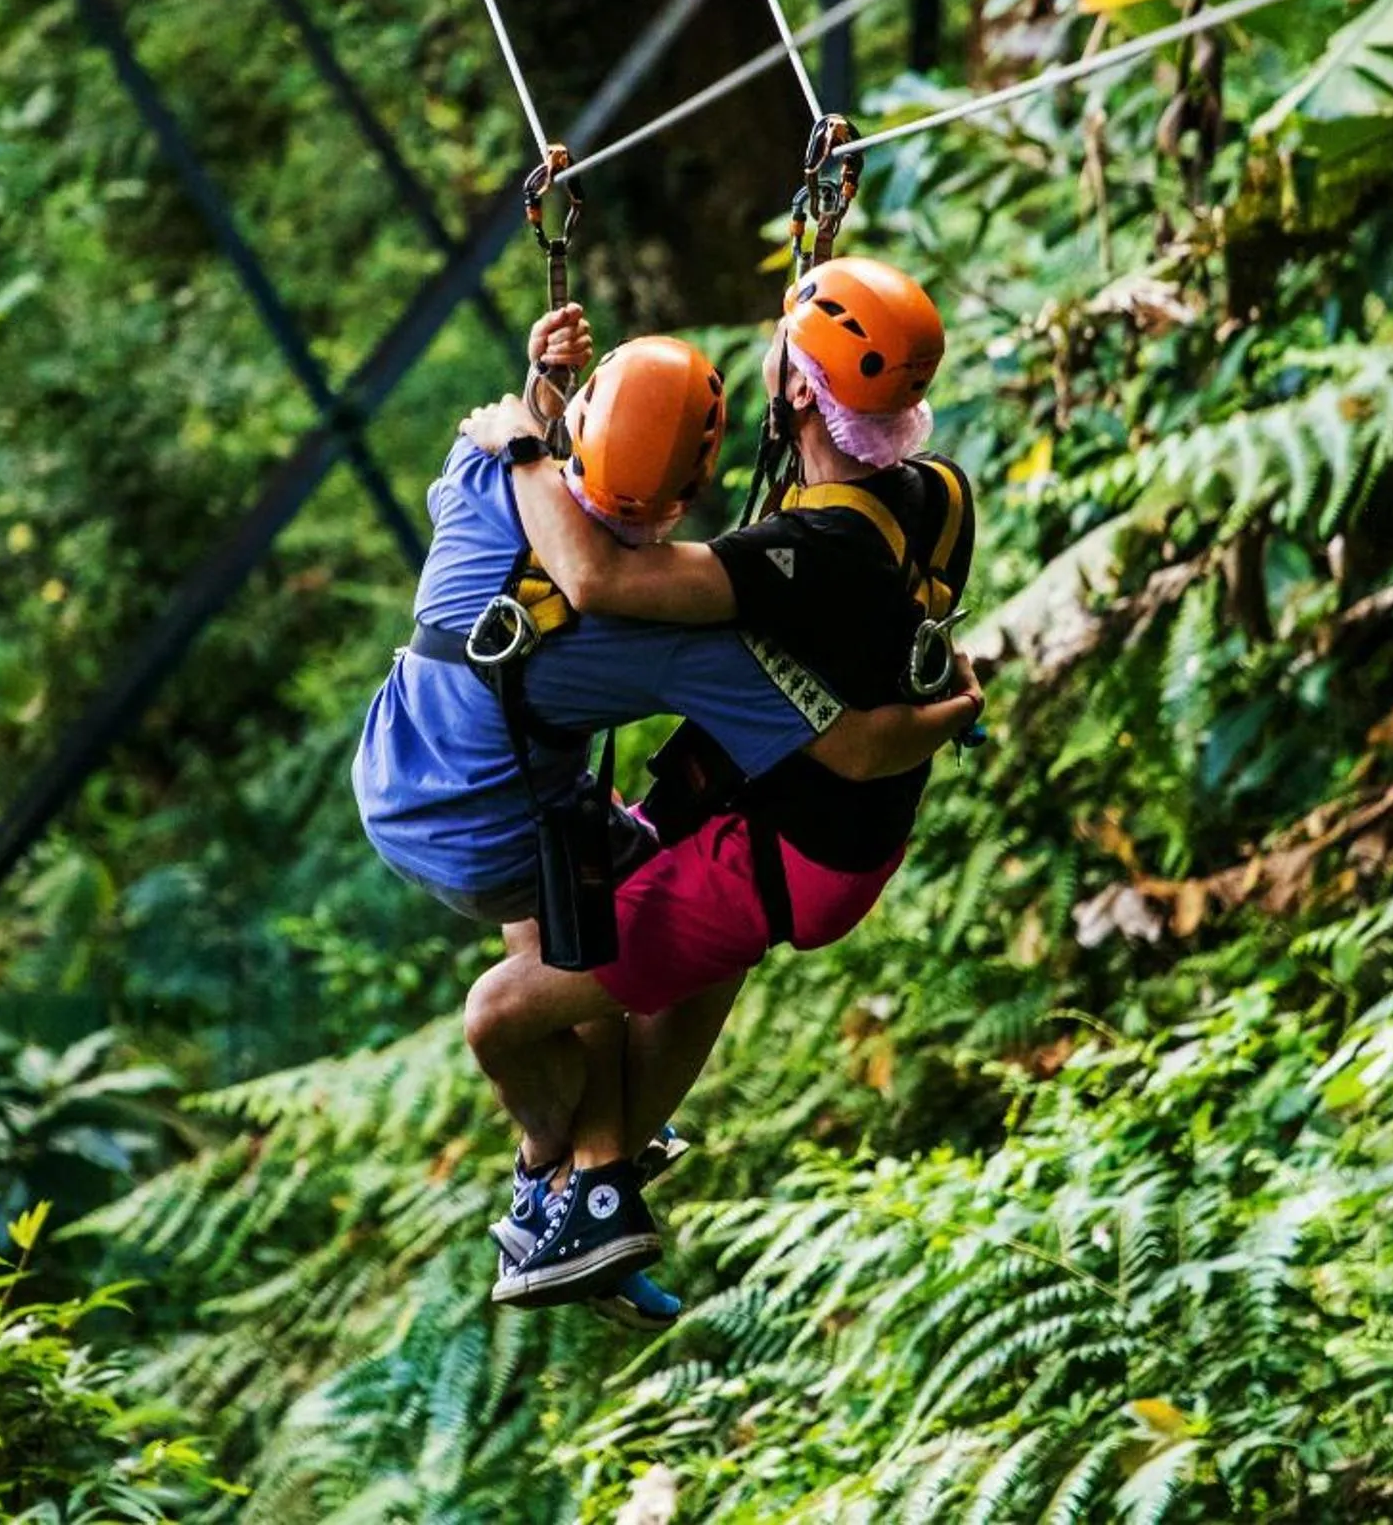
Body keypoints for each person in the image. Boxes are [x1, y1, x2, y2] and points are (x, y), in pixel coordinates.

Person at [351, 310, 982, 1319]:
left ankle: (579, 1184)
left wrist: (539, 396)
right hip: (500, 833)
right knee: (565, 960)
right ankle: (578, 1178)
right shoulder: (680, 639)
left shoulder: (481, 476)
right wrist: (951, 710)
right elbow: (850, 743)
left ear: (575, 427)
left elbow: (559, 500)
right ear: (688, 498)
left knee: (603, 907)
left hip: (396, 780)